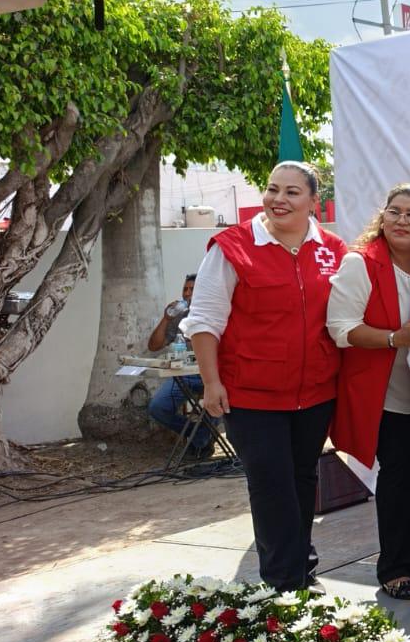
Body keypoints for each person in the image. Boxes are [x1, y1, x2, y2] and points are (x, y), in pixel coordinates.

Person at [183, 161, 346, 591]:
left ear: (313, 201)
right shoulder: (232, 247)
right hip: (251, 395)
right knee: (271, 484)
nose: (278, 199)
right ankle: (283, 583)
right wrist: (211, 382)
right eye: (273, 189)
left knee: (303, 479)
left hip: (315, 393)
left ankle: (301, 565)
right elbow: (204, 320)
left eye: (292, 192)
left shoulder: (333, 249)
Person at [327, 183, 410, 600]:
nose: (400, 220)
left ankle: (409, 556)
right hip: (386, 394)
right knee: (397, 477)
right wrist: (396, 338)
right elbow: (340, 329)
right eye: (394, 211)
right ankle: (393, 568)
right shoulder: (359, 263)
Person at [145, 273, 218, 457]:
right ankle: (201, 435)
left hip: (212, 374)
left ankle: (200, 440)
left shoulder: (214, 313)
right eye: (185, 289)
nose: (187, 293)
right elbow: (153, 346)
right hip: (185, 374)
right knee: (158, 407)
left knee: (219, 402)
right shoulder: (180, 317)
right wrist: (166, 319)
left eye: (192, 289)